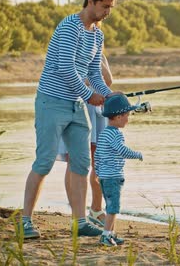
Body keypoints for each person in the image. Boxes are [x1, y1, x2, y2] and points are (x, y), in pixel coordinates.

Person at [19, 0, 120, 239]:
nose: (108, 12)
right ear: (91, 1)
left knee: (82, 163)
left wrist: (109, 96)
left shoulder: (97, 34)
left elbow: (93, 72)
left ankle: (80, 222)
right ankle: (25, 221)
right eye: (105, 6)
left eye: (111, 7)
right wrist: (90, 95)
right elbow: (66, 69)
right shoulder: (69, 27)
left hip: (76, 106)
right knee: (44, 162)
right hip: (51, 103)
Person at [59, 53, 112, 227]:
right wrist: (88, 83)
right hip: (77, 107)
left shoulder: (99, 53)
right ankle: (77, 213)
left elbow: (108, 81)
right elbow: (71, 81)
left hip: (98, 110)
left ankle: (96, 210)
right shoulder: (70, 53)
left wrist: (98, 57)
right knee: (74, 161)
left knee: (99, 161)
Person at [94, 93, 144, 246]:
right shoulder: (115, 134)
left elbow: (97, 155)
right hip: (113, 177)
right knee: (113, 207)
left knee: (110, 205)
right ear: (117, 117)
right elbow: (121, 150)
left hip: (104, 176)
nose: (128, 119)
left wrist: (97, 171)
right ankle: (106, 235)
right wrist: (137, 154)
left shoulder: (103, 134)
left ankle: (112, 234)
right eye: (126, 115)